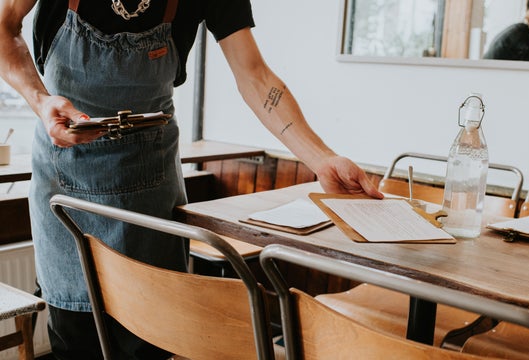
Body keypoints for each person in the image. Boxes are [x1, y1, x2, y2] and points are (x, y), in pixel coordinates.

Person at [0, 0, 383, 358]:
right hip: (67, 183)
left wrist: (322, 159)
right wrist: (41, 101)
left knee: (152, 337)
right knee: (77, 337)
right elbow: (3, 27)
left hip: (150, 182)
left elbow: (254, 74)